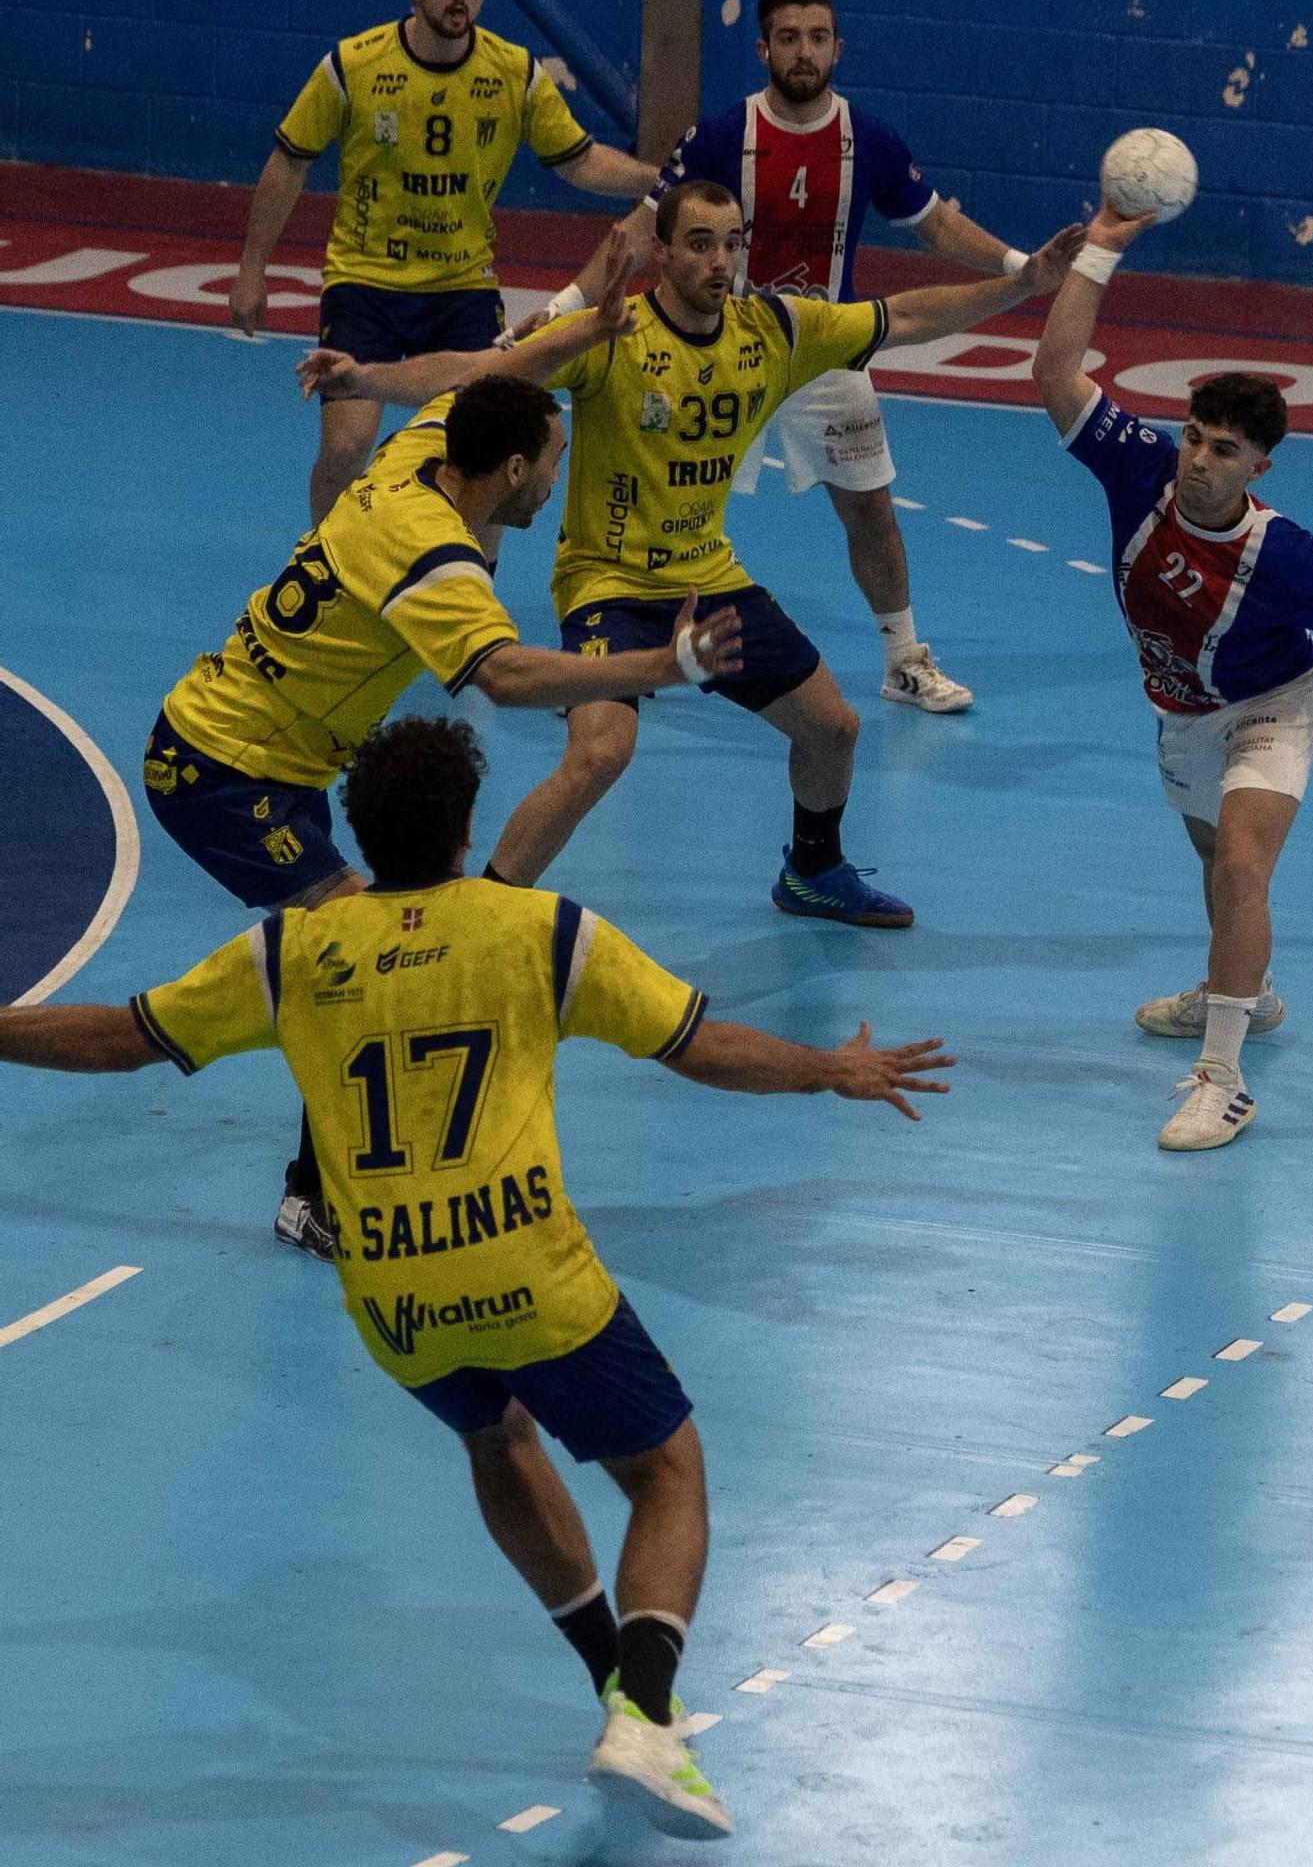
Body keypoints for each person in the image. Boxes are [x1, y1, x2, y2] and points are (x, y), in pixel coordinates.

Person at [0, 715, 954, 1842]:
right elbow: (699, 1046)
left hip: (391, 1296)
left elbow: (118, 1037)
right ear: (464, 831)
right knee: (666, 1469)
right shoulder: (540, 932)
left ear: (353, 826)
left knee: (495, 1436)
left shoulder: (288, 953)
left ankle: (614, 1686)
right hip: (526, 1267)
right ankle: (643, 1709)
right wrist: (828, 1070)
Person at [146, 273, 741, 1260]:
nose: (556, 479)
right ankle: (314, 1195)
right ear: (511, 470)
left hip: (278, 755)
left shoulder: (425, 443)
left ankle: (328, 1171)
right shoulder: (432, 558)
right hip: (219, 764)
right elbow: (505, 678)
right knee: (357, 953)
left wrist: (588, 322)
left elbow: (502, 365)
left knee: (358, 954)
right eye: (550, 463)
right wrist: (661, 664)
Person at [300, 181, 1084, 924]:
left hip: (708, 576)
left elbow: (903, 317)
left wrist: (1025, 283)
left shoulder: (773, 331)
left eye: (732, 244)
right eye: (700, 244)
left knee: (833, 730)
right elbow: (478, 374)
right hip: (607, 581)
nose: (719, 261)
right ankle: (481, 910)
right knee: (600, 754)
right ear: (664, 253)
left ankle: (811, 875)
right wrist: (364, 376)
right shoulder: (614, 335)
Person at [1030, 201, 1313, 1152]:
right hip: (1179, 711)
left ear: (1258, 465)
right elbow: (1054, 372)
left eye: (1223, 451)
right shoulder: (1139, 471)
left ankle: (1222, 1080)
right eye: (1193, 437)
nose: (1199, 460)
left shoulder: (1285, 557)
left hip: (1270, 707)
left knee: (1239, 866)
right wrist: (1098, 251)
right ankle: (1246, 995)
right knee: (1215, 877)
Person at [553, 0, 1047, 715]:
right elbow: (637, 227)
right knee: (663, 487)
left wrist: (1020, 269)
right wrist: (563, 308)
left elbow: (937, 226)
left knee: (870, 508)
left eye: (818, 37)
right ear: (763, 49)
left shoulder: (869, 140)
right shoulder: (722, 135)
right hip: (716, 344)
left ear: (837, 48)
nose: (804, 50)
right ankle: (611, 661)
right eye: (788, 37)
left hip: (816, 348)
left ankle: (903, 660)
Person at [228, 0, 658, 522]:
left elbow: (580, 162)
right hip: (365, 280)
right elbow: (288, 163)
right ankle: (321, 568)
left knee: (485, 455)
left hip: (462, 287)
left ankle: (472, 585)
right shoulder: (354, 65)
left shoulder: (515, 73)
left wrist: (661, 178)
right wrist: (252, 269)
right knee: (347, 446)